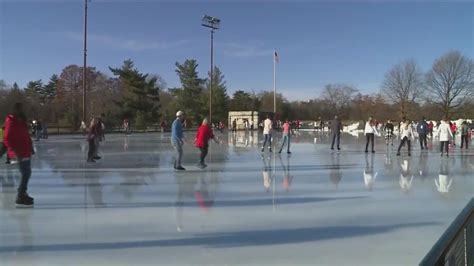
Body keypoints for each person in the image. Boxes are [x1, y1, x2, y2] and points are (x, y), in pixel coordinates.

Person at [3, 103, 34, 207]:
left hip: (25, 151)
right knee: (25, 173)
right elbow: (7, 138)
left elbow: (25, 135)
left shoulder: (20, 121)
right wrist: (15, 151)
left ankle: (23, 193)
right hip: (19, 152)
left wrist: (31, 147)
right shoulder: (11, 121)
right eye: (21, 109)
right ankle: (20, 195)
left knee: (27, 173)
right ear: (16, 110)